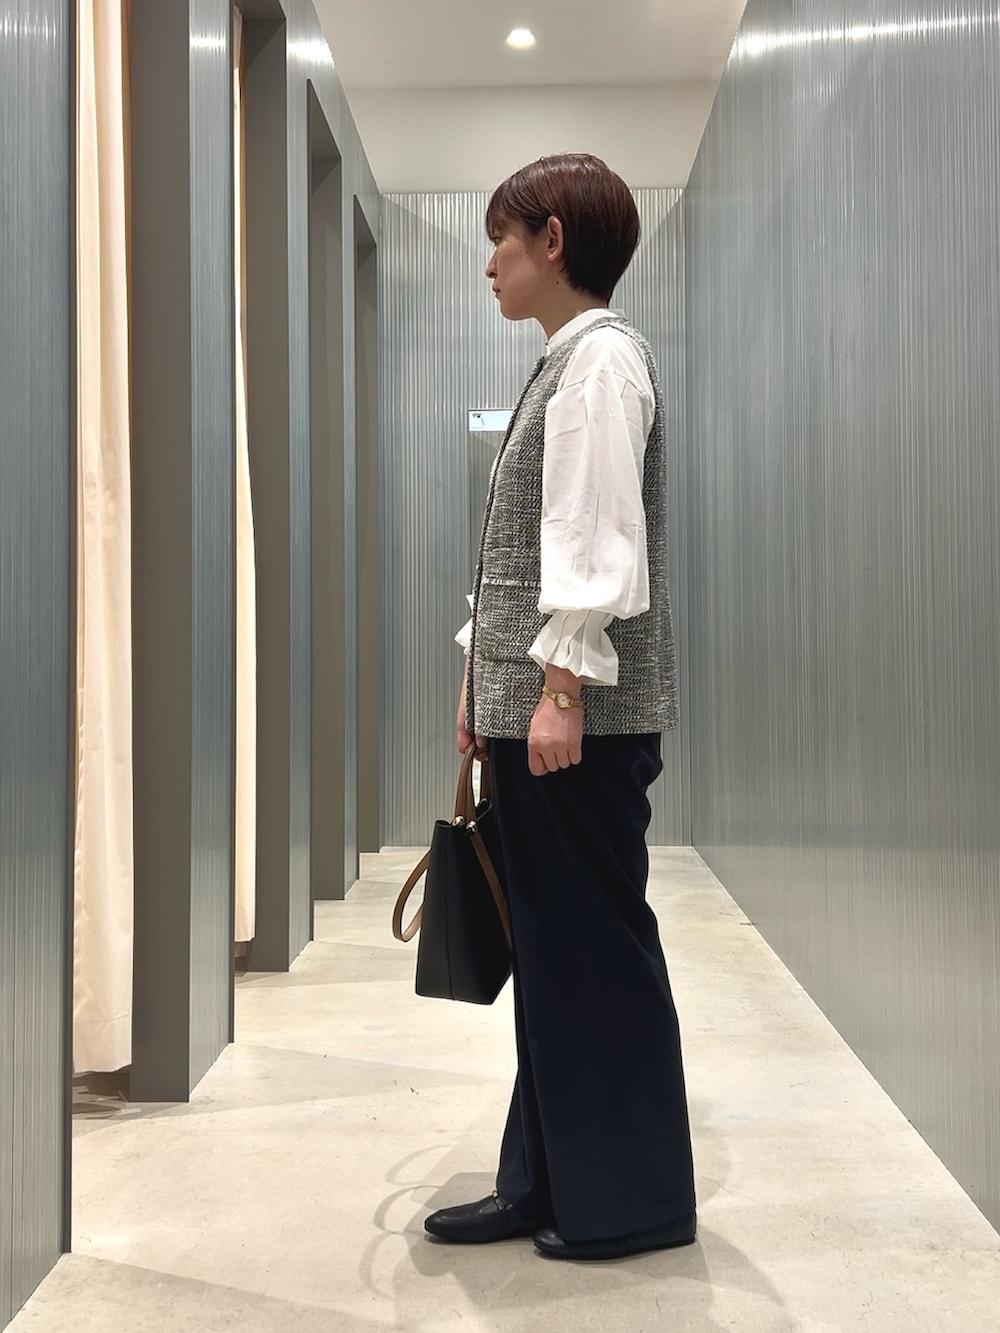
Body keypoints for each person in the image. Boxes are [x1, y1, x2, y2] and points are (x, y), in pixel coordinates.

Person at [423, 154, 696, 1262]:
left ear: (551, 239)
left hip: (576, 720)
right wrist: (480, 682)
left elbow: (594, 541)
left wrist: (560, 688)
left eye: (500, 238)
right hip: (534, 708)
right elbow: (526, 554)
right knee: (551, 950)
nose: (488, 263)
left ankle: (629, 1201)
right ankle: (545, 1181)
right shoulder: (564, 361)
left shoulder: (599, 363)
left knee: (590, 951)